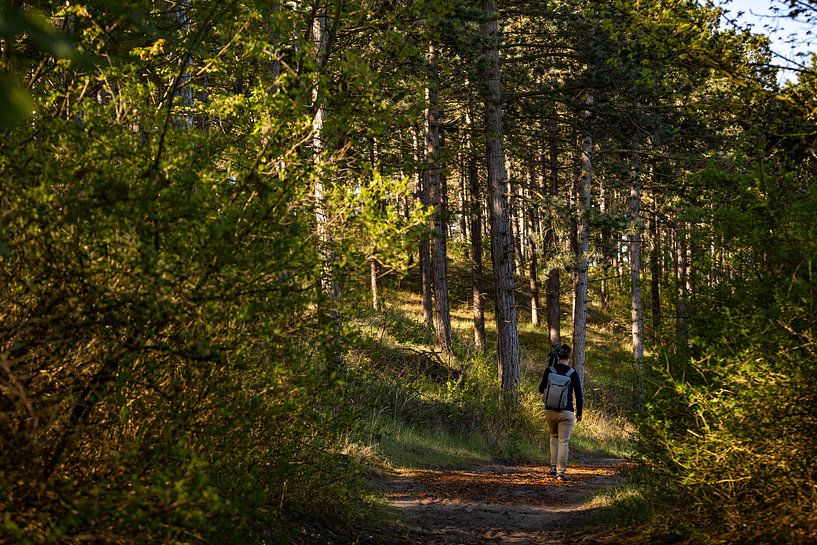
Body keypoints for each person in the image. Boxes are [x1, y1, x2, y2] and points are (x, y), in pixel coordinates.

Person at [538, 343, 583, 481]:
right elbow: (579, 395)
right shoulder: (573, 373)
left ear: (558, 356)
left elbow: (541, 389)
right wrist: (579, 412)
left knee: (553, 437)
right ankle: (560, 472)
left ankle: (552, 467)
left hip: (550, 410)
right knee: (564, 441)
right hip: (566, 412)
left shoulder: (550, 370)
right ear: (569, 356)